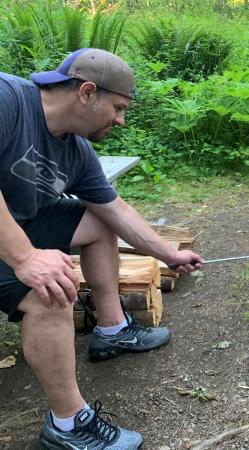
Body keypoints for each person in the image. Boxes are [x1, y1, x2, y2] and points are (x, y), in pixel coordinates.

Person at [0, 48, 204, 449]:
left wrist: (168, 253)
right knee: (52, 289)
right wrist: (25, 258)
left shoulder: (77, 151)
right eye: (119, 107)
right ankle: (68, 425)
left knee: (98, 221)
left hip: (14, 225)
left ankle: (112, 330)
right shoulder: (8, 99)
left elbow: (115, 209)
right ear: (87, 92)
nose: (122, 120)